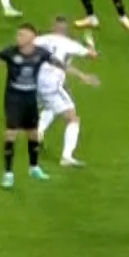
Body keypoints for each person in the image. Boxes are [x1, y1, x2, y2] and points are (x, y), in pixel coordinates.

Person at [0, 22, 96, 189]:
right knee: (11, 135)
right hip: (14, 99)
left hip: (30, 98)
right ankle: (8, 174)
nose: (18, 37)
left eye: (22, 35)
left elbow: (61, 65)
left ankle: (34, 168)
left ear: (32, 37)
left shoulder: (41, 52)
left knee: (33, 135)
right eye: (18, 34)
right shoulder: (12, 52)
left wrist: (83, 76)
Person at [33, 16, 98, 167]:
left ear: (53, 27)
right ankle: (66, 157)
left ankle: (39, 132)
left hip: (35, 81)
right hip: (52, 85)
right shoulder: (70, 44)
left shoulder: (41, 39)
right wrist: (90, 43)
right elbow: (92, 55)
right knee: (73, 118)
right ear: (66, 29)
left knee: (51, 106)